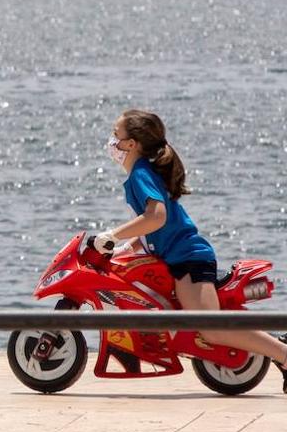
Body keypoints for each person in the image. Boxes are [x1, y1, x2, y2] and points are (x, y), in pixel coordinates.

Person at [93, 109, 287, 392]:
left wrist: (112, 234)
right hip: (178, 257)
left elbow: (156, 216)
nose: (112, 141)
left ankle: (283, 354)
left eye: (116, 135)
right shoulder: (141, 173)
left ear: (132, 144)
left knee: (210, 328)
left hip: (190, 259)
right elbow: (154, 227)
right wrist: (123, 247)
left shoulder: (140, 174)